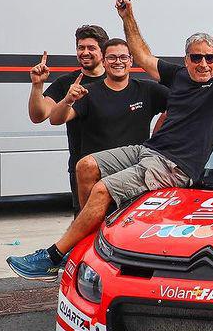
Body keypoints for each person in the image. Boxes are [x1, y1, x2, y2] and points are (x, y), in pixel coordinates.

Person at [6, 11, 213, 280]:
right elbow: (142, 55)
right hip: (149, 150)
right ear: (186, 59)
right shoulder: (178, 76)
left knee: (102, 191)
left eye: (210, 58)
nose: (204, 64)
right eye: (196, 57)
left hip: (174, 166)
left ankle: (53, 257)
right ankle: (90, 243)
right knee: (85, 165)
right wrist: (128, 18)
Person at [45, 38, 169, 208]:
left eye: (123, 57)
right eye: (112, 58)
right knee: (91, 229)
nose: (118, 62)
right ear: (103, 61)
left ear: (131, 61)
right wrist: (67, 100)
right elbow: (55, 119)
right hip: (96, 177)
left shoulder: (148, 90)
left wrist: (159, 136)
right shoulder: (90, 92)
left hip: (133, 177)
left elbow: (182, 105)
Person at [27, 24, 109, 211]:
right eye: (81, 47)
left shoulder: (115, 81)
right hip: (82, 171)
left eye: (91, 48)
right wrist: (37, 86)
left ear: (103, 52)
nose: (85, 52)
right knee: (84, 227)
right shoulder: (66, 83)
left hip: (117, 167)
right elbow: (38, 116)